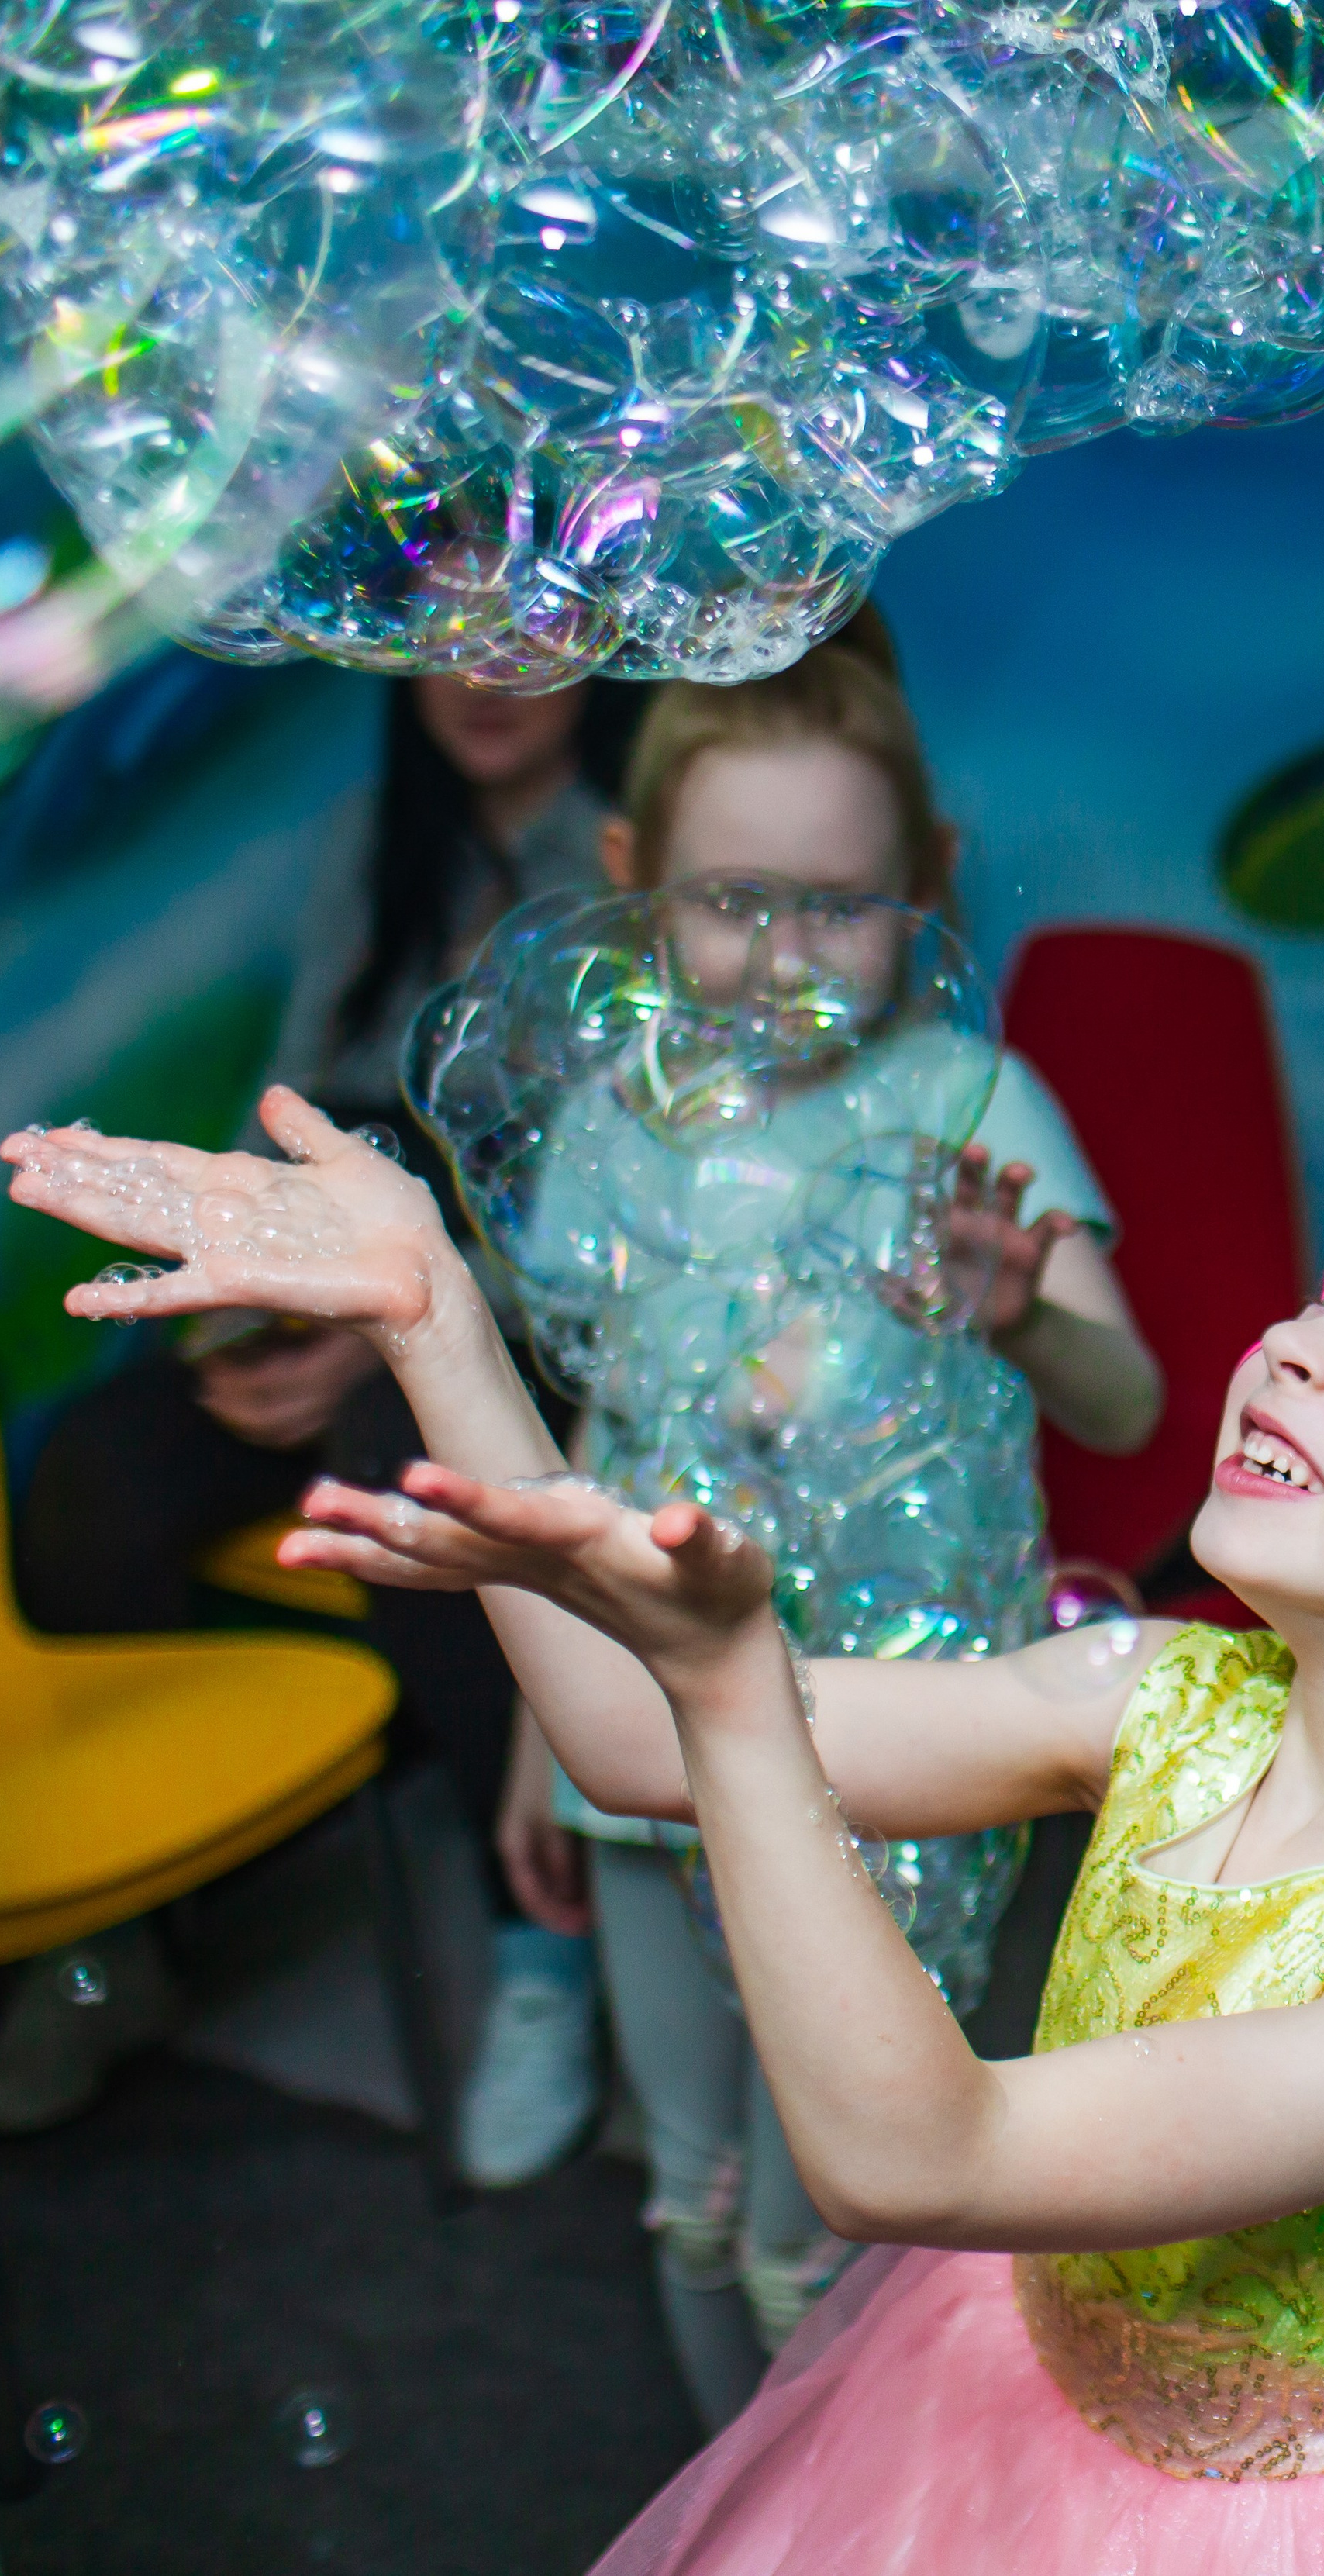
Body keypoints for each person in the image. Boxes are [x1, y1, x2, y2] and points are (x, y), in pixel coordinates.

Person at [0, 1106, 1324, 2571]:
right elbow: (624, 1734)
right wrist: (436, 1321)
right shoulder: (1158, 1692)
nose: (1308, 1344)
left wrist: (740, 1688)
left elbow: (915, 2149)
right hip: (1005, 2412)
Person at [460, 606, 1164, 2422]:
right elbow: (602, 1419)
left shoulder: (971, 1108)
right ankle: (729, 2501)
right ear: (631, 885)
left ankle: (830, 2500)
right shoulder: (618, 1117)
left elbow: (1129, 1402)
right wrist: (545, 1733)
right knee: (684, 2178)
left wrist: (1028, 1309)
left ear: (926, 883)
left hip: (884, 1751)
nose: (779, 956)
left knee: (829, 2210)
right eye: (728, 901)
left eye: (836, 907)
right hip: (649, 1737)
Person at [2, 672, 651, 2183]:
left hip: (520, 1318)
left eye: (525, 630)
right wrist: (241, 1301)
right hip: (330, 1273)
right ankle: (118, 1941)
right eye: (447, 629)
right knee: (103, 1457)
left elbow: (609, 1221)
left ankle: (533, 1949)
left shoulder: (625, 856)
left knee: (395, 1455)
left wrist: (375, 1322)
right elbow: (288, 1108)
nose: (484, 678)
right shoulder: (376, 833)